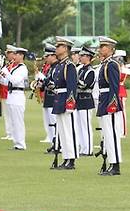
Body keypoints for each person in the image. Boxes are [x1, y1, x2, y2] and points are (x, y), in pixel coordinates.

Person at [50, 37, 79, 170]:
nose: (56, 49)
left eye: (59, 46)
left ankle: (71, 159)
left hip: (66, 100)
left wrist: (70, 103)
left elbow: (72, 86)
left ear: (66, 48)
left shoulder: (69, 65)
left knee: (69, 131)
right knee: (62, 131)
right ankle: (66, 157)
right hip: (59, 99)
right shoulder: (60, 65)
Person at [97, 36, 124, 175]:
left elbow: (114, 86)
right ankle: (111, 163)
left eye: (104, 46)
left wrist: (112, 104)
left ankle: (115, 165)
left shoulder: (112, 64)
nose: (101, 49)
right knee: (107, 134)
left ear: (111, 49)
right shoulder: (105, 64)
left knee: (112, 134)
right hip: (104, 100)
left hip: (109, 102)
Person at [0, 46, 28, 150]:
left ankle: (21, 143)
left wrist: (6, 72)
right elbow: (7, 82)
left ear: (22, 56)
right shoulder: (15, 67)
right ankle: (16, 143)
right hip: (11, 95)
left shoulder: (22, 68)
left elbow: (15, 80)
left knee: (18, 121)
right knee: (13, 121)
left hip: (17, 95)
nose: (14, 56)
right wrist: (0, 77)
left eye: (17, 54)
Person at [76, 47, 96, 156]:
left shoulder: (90, 71)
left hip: (86, 100)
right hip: (79, 100)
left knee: (86, 126)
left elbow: (85, 85)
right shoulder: (81, 69)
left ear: (88, 57)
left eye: (82, 55)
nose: (80, 57)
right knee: (79, 126)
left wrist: (74, 80)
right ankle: (82, 148)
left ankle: (88, 149)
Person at [37, 44, 58, 149]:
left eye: (48, 56)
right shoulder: (50, 68)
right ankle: (52, 142)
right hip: (48, 97)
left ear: (54, 56)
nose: (46, 58)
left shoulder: (56, 67)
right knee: (49, 122)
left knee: (54, 122)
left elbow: (54, 82)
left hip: (53, 97)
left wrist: (44, 79)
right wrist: (41, 85)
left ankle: (56, 143)